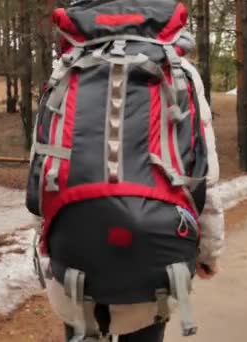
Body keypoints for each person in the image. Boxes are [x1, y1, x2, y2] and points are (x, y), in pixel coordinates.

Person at [26, 1, 224, 341]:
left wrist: (44, 237)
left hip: (75, 256)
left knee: (80, 321)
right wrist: (208, 251)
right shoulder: (179, 70)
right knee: (146, 323)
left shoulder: (67, 66)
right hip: (156, 259)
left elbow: (42, 164)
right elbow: (202, 171)